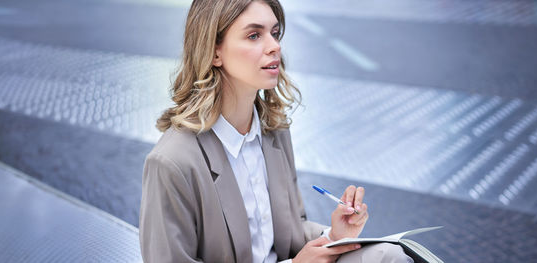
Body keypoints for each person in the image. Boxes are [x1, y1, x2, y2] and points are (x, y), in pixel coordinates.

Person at [139, 0, 412, 262]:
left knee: (391, 257)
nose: (274, 46)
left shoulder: (274, 131)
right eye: (254, 36)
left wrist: (334, 236)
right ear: (213, 51)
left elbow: (289, 233)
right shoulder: (172, 163)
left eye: (275, 33)